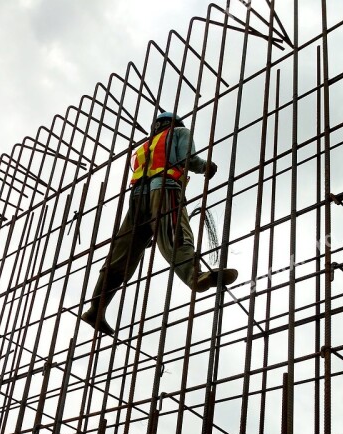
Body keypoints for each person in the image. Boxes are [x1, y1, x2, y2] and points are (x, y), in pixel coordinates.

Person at [81, 112, 238, 336]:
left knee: (122, 254)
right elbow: (187, 159)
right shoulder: (179, 132)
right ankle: (195, 276)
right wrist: (206, 167)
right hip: (164, 188)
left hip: (137, 198)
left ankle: (96, 308)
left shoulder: (145, 146)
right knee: (174, 232)